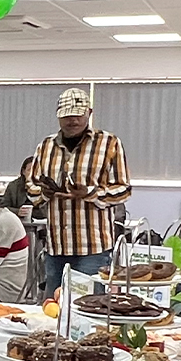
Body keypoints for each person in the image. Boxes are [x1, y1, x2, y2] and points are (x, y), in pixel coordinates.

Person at [24, 88, 131, 293]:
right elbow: (31, 186)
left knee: (88, 309)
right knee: (53, 309)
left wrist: (91, 193)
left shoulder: (109, 143)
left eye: (77, 115)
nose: (72, 120)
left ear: (89, 113)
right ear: (58, 116)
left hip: (93, 248)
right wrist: (46, 192)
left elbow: (124, 189)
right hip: (56, 247)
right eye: (66, 115)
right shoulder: (45, 146)